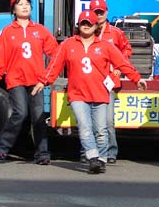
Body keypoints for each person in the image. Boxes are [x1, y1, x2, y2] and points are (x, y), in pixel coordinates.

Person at [32, 10, 147, 174]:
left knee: (101, 129)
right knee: (85, 127)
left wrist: (136, 78)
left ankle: (101, 159)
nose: (86, 26)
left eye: (89, 23)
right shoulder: (68, 44)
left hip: (100, 93)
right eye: (83, 23)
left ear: (95, 26)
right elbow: (55, 65)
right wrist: (43, 81)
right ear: (78, 26)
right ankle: (92, 158)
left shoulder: (106, 46)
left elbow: (122, 63)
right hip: (77, 94)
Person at [0, 0, 58, 164]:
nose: (25, 6)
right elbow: (1, 57)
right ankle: (2, 147)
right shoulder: (7, 31)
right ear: (13, 10)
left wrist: (48, 75)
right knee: (20, 113)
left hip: (36, 81)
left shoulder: (40, 30)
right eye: (20, 4)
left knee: (38, 117)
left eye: (27, 3)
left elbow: (55, 52)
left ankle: (42, 154)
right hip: (16, 79)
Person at [86, 0, 133, 165]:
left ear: (106, 12)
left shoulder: (115, 32)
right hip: (89, 81)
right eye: (95, 12)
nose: (98, 15)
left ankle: (110, 151)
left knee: (107, 120)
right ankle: (90, 152)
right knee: (88, 120)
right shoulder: (86, 30)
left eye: (101, 12)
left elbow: (127, 48)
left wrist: (120, 64)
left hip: (109, 81)